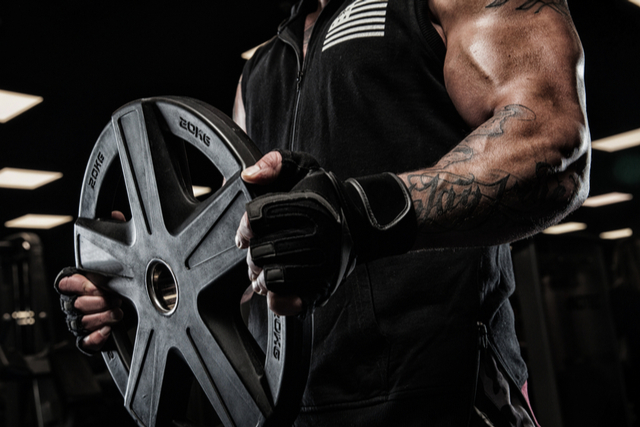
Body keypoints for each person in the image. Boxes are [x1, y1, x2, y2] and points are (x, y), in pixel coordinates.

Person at [56, 0, 590, 425]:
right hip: (291, 408)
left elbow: (550, 141)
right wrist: (148, 300)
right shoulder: (260, 69)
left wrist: (360, 215)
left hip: (444, 397)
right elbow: (249, 253)